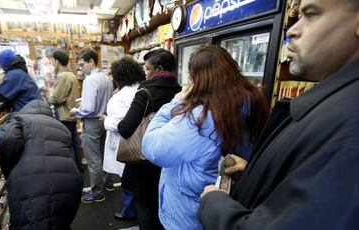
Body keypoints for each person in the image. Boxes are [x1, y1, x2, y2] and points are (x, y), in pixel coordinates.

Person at [199, 0, 359, 229]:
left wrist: (213, 203)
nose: (292, 29)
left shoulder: (351, 123)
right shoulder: (339, 102)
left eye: (311, 14)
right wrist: (258, 171)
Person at [141, 46, 268, 230]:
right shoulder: (250, 101)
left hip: (188, 213)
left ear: (199, 80)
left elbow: (152, 147)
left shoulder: (201, 118)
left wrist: (174, 103)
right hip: (223, 203)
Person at [117, 49, 182, 230]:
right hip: (171, 159)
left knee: (145, 207)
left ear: (158, 68)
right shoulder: (181, 91)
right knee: (163, 205)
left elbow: (125, 128)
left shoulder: (145, 92)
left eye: (147, 69)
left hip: (144, 161)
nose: (145, 73)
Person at [0, 100, 83, 230]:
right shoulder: (60, 126)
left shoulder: (20, 119)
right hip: (70, 182)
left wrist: (10, 170)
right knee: (59, 223)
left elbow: (7, 139)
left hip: (33, 182)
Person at [102, 56, 145, 220]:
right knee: (137, 178)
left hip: (124, 143)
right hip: (140, 141)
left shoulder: (122, 96)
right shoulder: (140, 88)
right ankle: (134, 208)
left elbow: (121, 123)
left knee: (127, 179)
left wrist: (106, 120)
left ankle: (129, 211)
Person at [71, 47, 114, 203]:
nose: (81, 69)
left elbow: (88, 108)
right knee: (103, 154)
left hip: (92, 122)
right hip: (104, 119)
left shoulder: (90, 80)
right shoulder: (107, 78)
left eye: (83, 65)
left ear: (91, 61)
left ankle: (97, 192)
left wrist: (76, 111)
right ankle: (108, 183)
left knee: (93, 159)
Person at [48, 50, 83, 172]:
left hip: (64, 115)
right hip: (72, 114)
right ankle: (79, 167)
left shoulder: (63, 76)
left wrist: (49, 95)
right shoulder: (72, 75)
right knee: (75, 143)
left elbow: (57, 98)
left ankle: (73, 170)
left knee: (67, 145)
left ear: (57, 61)